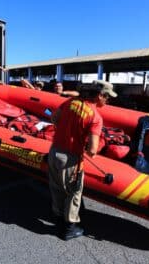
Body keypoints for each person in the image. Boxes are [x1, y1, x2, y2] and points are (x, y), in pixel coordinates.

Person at [48, 80, 117, 240]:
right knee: (74, 192)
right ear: (99, 95)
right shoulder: (95, 117)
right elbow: (92, 150)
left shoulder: (71, 102)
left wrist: (67, 131)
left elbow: (54, 118)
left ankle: (58, 218)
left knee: (56, 187)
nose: (108, 100)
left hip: (54, 151)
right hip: (71, 159)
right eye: (107, 97)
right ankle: (69, 228)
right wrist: (95, 144)